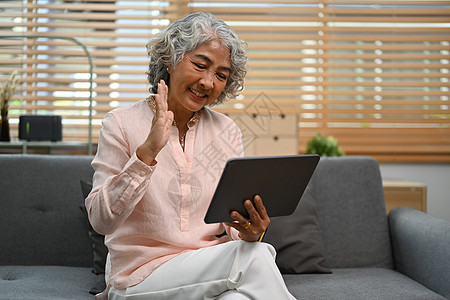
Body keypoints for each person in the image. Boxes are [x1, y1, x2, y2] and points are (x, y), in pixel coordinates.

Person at [85, 12, 297, 300]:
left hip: (208, 273)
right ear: (170, 59)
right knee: (256, 256)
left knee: (240, 293)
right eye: (200, 65)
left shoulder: (227, 130)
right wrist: (147, 152)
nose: (208, 83)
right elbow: (101, 220)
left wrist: (248, 232)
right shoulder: (120, 123)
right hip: (140, 277)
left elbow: (231, 225)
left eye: (221, 75)